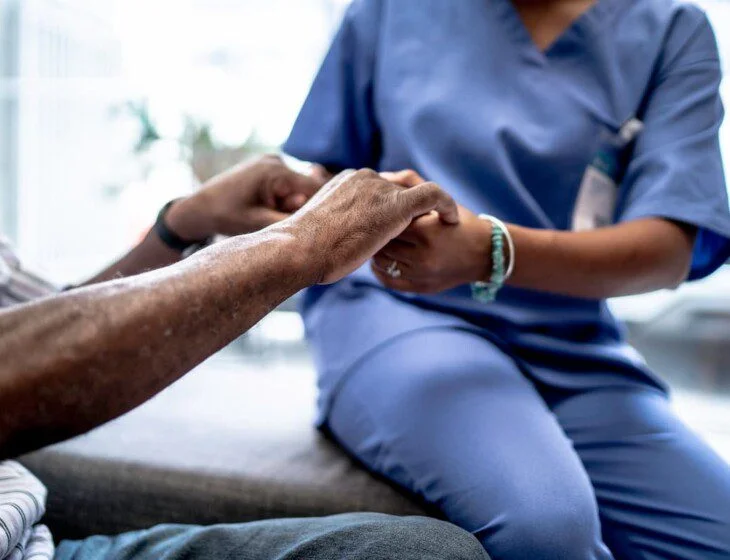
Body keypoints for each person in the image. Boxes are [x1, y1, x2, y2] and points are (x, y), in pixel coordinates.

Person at [283, 0, 730, 559]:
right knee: (546, 529)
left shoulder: (669, 30)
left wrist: (490, 251)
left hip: (570, 347)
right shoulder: (390, 11)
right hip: (399, 313)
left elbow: (668, 247)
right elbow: (324, 183)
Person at [0, 155, 489, 560]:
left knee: (427, 553)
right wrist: (296, 247)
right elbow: (26, 368)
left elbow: (46, 331)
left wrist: (181, 224)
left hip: (36, 546)